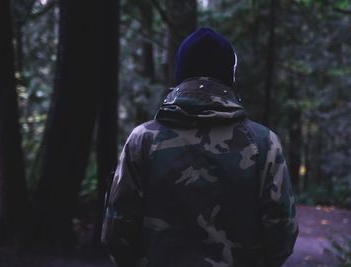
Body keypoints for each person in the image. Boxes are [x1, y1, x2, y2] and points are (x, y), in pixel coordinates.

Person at [101, 27, 298, 267]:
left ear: (180, 74)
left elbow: (116, 231)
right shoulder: (264, 142)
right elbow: (281, 234)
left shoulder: (142, 139)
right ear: (229, 76)